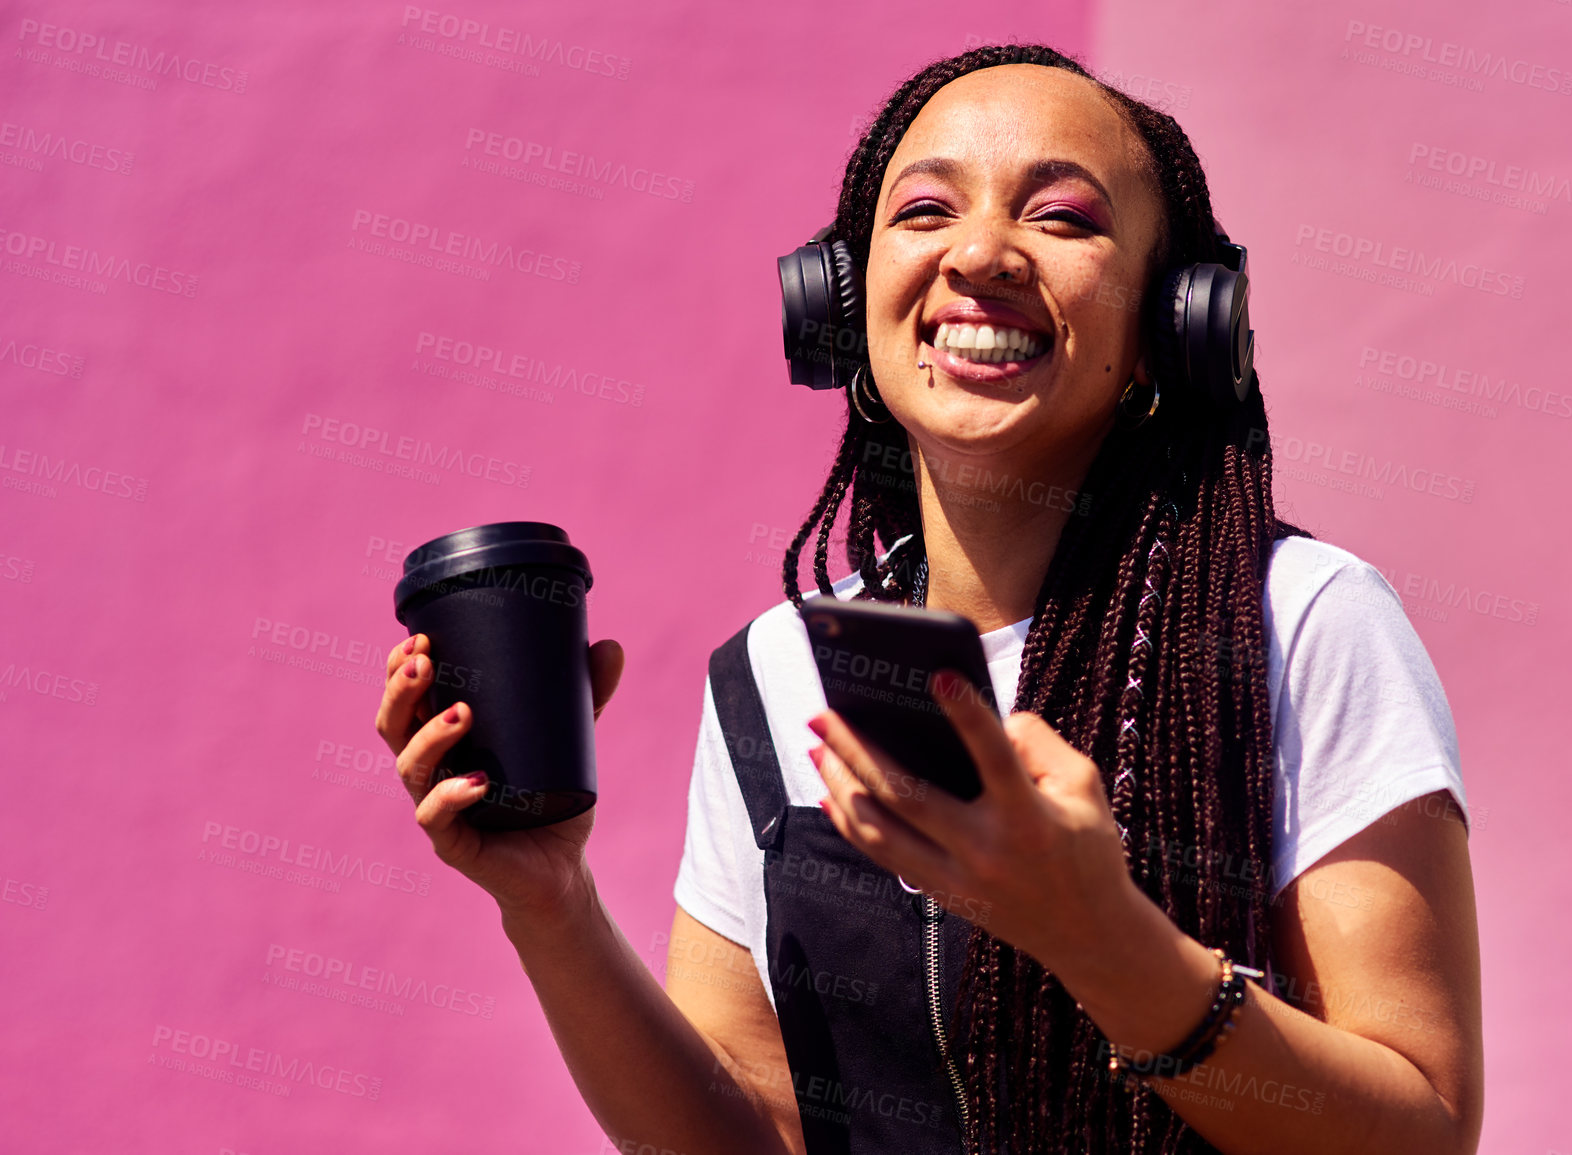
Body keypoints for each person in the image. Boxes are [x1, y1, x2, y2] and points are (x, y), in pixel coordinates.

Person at [373, 43, 1482, 1155]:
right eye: (925, 211)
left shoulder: (1298, 620)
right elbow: (748, 1138)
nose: (982, 255)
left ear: (1173, 326)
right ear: (841, 309)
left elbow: (1423, 1133)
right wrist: (551, 905)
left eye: (1062, 218)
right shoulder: (776, 673)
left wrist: (1104, 941)